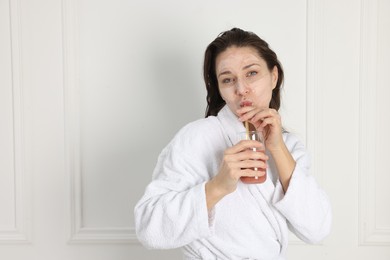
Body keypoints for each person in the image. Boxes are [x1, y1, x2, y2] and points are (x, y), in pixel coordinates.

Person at [134, 28, 332, 259]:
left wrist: (278, 149)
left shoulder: (289, 146)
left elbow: (317, 229)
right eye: (228, 79)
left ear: (274, 76)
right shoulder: (196, 137)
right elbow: (149, 228)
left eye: (252, 73)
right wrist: (217, 186)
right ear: (220, 89)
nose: (241, 89)